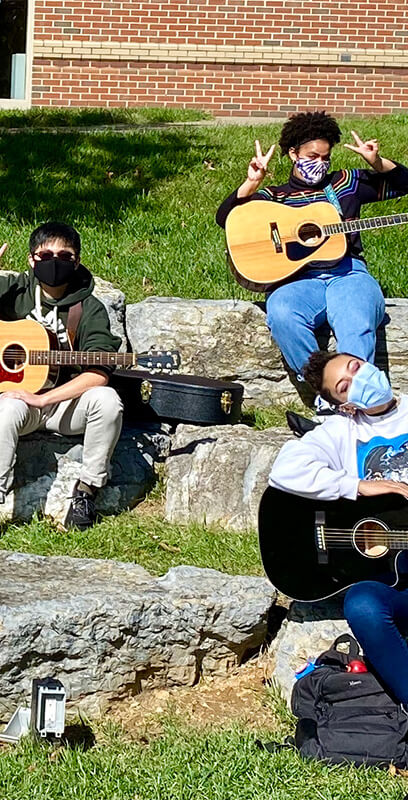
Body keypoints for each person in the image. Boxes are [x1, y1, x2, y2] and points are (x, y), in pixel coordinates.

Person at [0, 222, 124, 539]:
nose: (55, 260)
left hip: (65, 404)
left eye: (65, 255)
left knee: (109, 402)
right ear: (31, 259)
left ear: (77, 262)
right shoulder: (15, 289)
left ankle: (86, 493)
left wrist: (44, 399)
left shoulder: (89, 307)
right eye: (46, 254)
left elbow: (97, 373)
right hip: (19, 401)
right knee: (8, 408)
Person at [215, 111, 408, 411]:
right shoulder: (274, 197)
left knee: (354, 319)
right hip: (299, 281)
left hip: (349, 273)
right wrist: (250, 184)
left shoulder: (346, 184)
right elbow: (227, 218)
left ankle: (360, 400)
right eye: (311, 156)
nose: (319, 163)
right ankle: (326, 395)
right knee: (281, 312)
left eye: (325, 157)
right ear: (293, 154)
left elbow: (405, 183)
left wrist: (377, 163)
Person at [267, 349, 408, 704]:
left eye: (357, 369)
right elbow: (285, 470)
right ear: (345, 405)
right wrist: (357, 486)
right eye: (345, 387)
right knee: (362, 604)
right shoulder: (342, 431)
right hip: (393, 576)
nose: (358, 381)